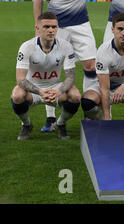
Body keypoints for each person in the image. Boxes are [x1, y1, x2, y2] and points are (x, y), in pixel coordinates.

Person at [33, 0, 104, 129]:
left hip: (82, 23)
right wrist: (39, 24)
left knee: (90, 66)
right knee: (53, 69)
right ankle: (50, 117)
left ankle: (89, 110)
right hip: (58, 26)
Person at [11, 12, 81, 140]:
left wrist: (58, 91)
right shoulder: (26, 47)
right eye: (46, 27)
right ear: (37, 28)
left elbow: (70, 77)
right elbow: (20, 79)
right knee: (17, 94)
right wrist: (40, 92)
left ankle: (60, 124)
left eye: (54, 27)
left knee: (75, 96)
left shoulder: (66, 46)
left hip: (55, 86)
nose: (51, 30)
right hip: (33, 89)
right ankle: (26, 125)